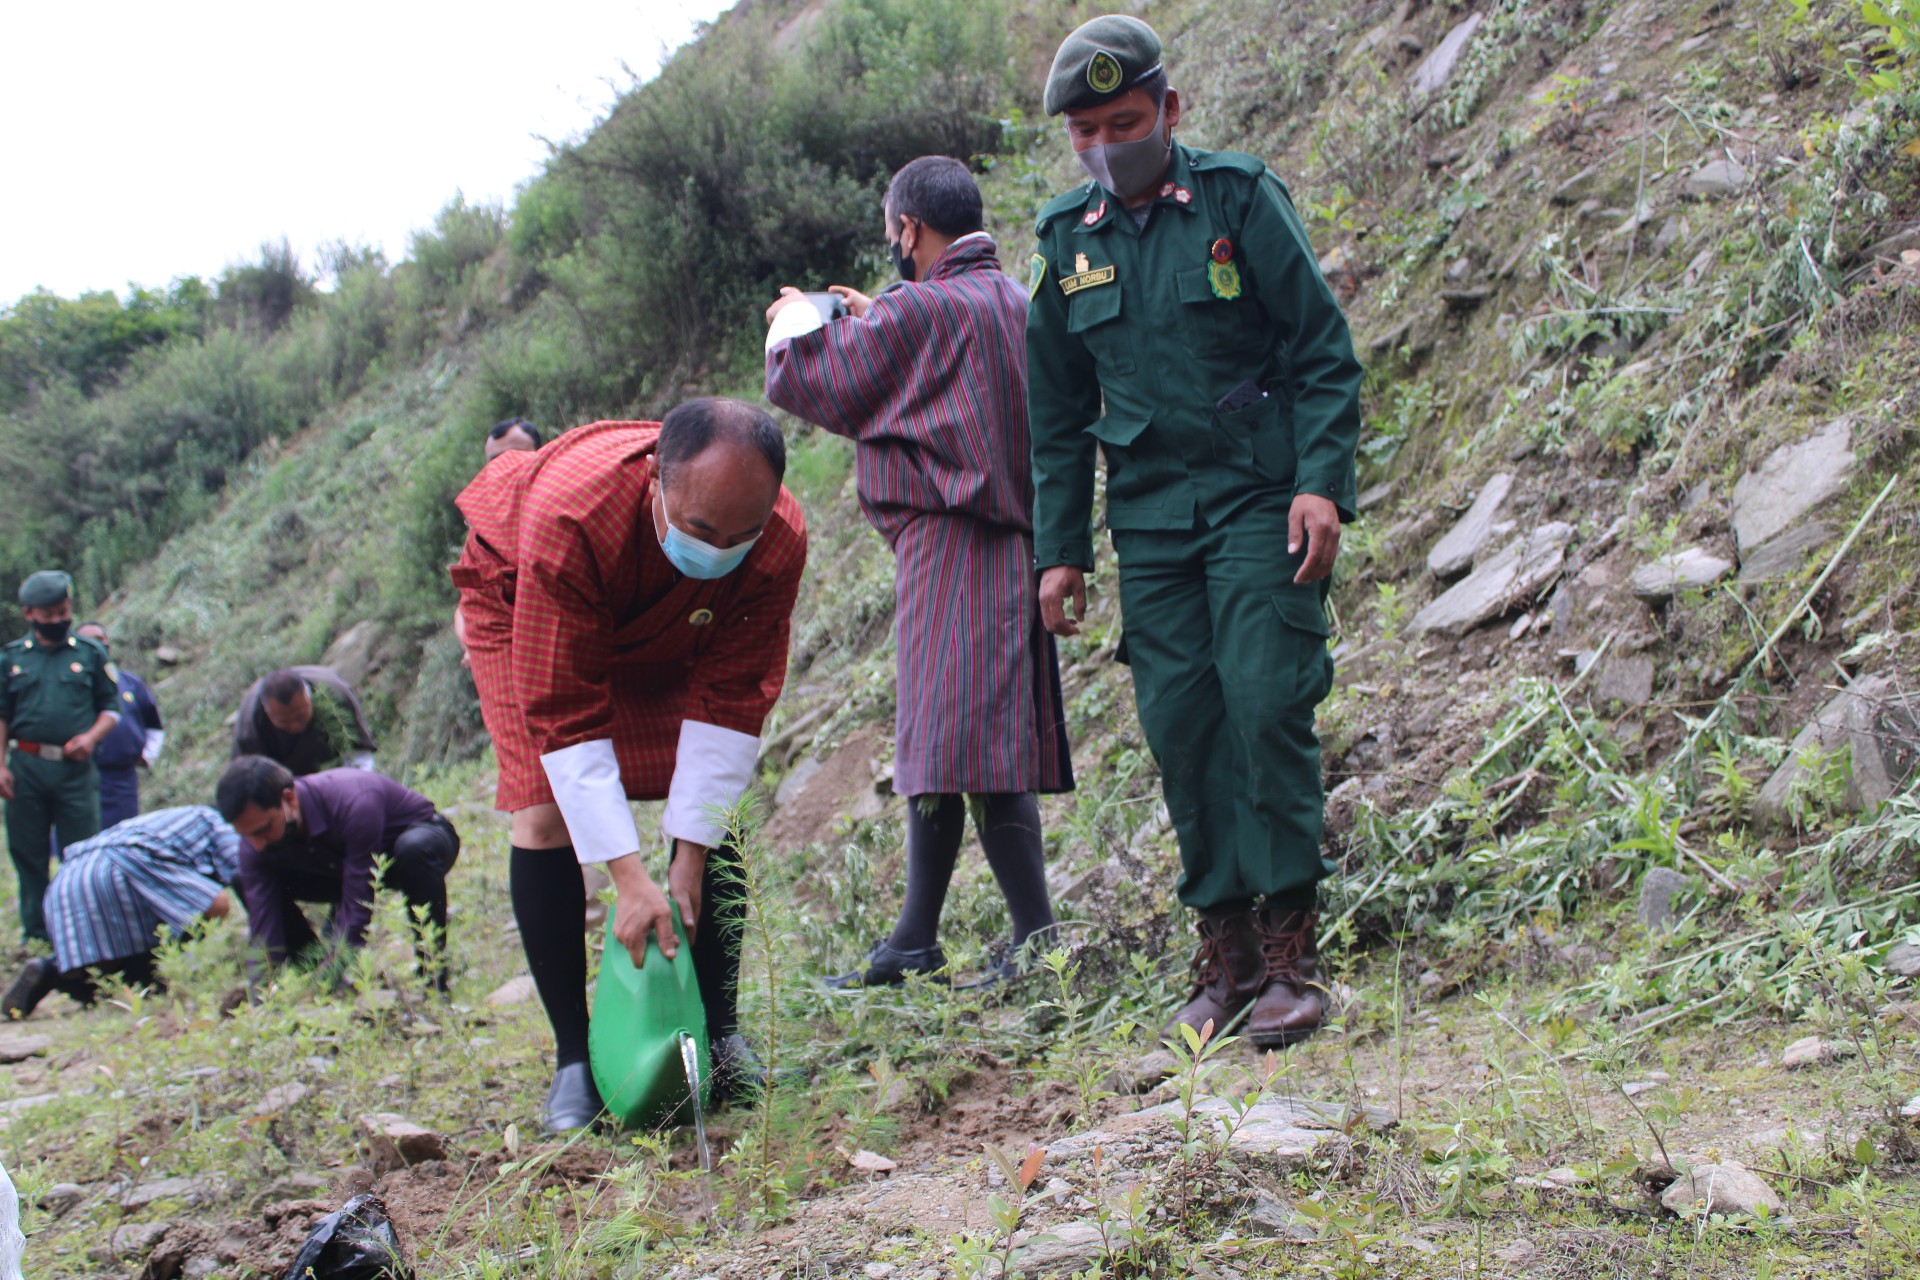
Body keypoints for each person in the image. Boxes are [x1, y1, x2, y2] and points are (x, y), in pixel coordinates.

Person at [1026, 16, 1363, 1049]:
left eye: (1124, 122)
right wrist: (1061, 547)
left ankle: (1291, 951)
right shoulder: (1066, 242)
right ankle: (1224, 954)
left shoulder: (1239, 200)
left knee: (1266, 701)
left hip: (1260, 498)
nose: (1105, 145)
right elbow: (1055, 411)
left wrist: (1322, 484)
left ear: (1170, 109)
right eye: (1084, 131)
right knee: (1184, 729)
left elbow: (1322, 352)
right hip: (1154, 522)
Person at [450, 397, 807, 1132]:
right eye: (702, 530)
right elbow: (566, 711)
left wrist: (686, 862)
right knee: (543, 809)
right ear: (655, 483)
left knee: (711, 816)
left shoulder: (774, 543)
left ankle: (720, 1031)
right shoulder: (572, 517)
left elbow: (732, 703)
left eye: (742, 534)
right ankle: (575, 1061)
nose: (722, 549)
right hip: (526, 597)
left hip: (673, 622)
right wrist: (627, 876)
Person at [764, 155, 1074, 990]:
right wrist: (882, 314)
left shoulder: (921, 310)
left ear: (909, 229)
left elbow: (809, 377)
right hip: (1019, 543)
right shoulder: (1014, 300)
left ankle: (1014, 942)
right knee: (964, 745)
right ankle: (929, 940)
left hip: (951, 543)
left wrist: (794, 318)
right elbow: (919, 353)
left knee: (955, 748)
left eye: (892, 235)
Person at [216, 756, 460, 989]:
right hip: (339, 868)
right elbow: (264, 928)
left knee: (413, 850)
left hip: (416, 845)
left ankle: (433, 978)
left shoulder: (353, 799)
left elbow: (358, 904)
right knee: (243, 879)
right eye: (247, 835)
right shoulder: (255, 843)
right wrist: (262, 998)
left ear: (289, 799)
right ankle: (314, 970)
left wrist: (333, 970)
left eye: (264, 829)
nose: (257, 844)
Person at [2, 806, 241, 1020]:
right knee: (215, 905)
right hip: (122, 864)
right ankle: (172, 967)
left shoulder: (180, 819)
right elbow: (242, 879)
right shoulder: (221, 825)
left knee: (108, 966)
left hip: (68, 877)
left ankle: (53, 972)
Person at [0, 571, 119, 944]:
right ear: (29, 614)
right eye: (47, 614)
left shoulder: (90, 654)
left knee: (82, 854)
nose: (56, 620)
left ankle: (83, 932)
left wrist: (90, 737)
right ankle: (37, 935)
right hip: (26, 768)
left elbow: (111, 708)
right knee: (28, 853)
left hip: (75, 770)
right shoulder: (11, 659)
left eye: (62, 612)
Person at [71, 623, 164, 830]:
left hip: (122, 781)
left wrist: (147, 755)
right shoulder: (69, 684)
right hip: (81, 776)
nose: (101, 643)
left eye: (103, 638)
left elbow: (154, 725)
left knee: (122, 837)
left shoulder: (130, 683)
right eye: (93, 639)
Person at [231, 666, 377, 777]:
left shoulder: (334, 694)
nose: (294, 725)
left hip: (337, 769)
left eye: (300, 715)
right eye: (284, 721)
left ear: (309, 698)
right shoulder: (250, 726)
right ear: (267, 711)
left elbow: (359, 753)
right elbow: (253, 781)